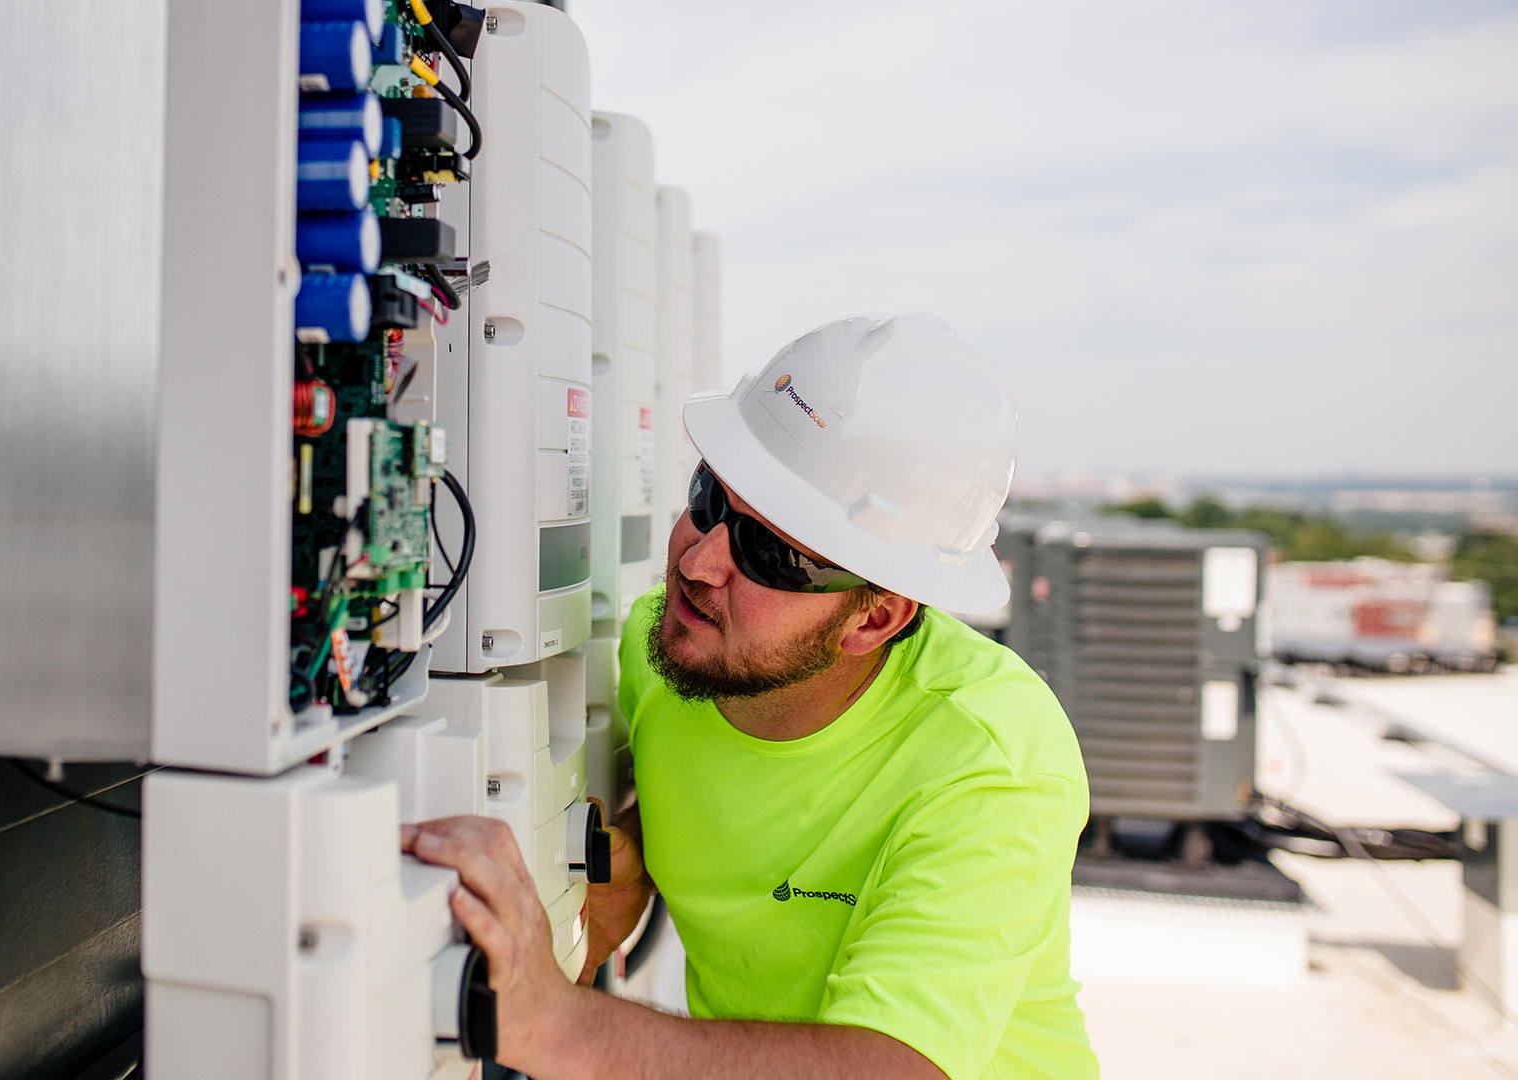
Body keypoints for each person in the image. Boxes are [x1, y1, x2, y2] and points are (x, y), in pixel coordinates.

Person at [403, 313, 1099, 1079]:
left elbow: (897, 1067)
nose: (699, 561)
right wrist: (630, 850)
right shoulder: (670, 650)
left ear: (876, 616)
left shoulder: (992, 760)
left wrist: (558, 1024)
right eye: (709, 499)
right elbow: (714, 795)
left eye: (771, 554)